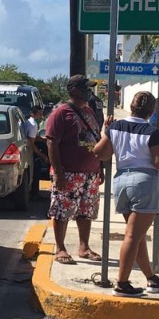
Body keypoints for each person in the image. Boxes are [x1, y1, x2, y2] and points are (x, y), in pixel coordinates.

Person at [93, 91, 159, 296]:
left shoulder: (115, 127)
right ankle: (122, 283)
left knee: (137, 235)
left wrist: (106, 132)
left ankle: (151, 278)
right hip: (144, 182)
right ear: (151, 111)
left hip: (121, 181)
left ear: (131, 106)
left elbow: (100, 153)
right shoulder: (151, 132)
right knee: (132, 236)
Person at [45, 75, 104, 264]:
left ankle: (84, 247)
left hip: (90, 173)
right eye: (86, 88)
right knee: (62, 211)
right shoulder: (61, 113)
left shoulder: (89, 111)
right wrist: (58, 173)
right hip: (68, 173)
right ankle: (60, 248)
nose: (90, 92)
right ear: (75, 90)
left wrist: (100, 167)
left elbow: (96, 138)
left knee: (86, 211)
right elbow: (52, 144)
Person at [27, 104, 49, 200]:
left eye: (41, 113)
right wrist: (41, 155)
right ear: (33, 114)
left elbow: (34, 137)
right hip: (30, 152)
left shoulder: (29, 122)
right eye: (39, 114)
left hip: (30, 150)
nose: (41, 116)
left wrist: (44, 139)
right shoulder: (33, 125)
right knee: (36, 171)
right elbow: (31, 143)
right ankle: (34, 194)